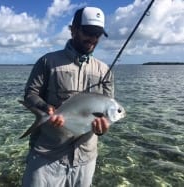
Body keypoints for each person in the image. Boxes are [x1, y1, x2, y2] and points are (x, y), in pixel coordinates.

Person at [22, 6, 114, 187]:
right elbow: (30, 94)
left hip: (85, 159)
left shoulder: (105, 71)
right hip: (46, 155)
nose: (93, 39)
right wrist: (46, 109)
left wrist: (103, 129)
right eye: (88, 32)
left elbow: (107, 116)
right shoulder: (48, 61)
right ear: (73, 30)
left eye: (98, 34)